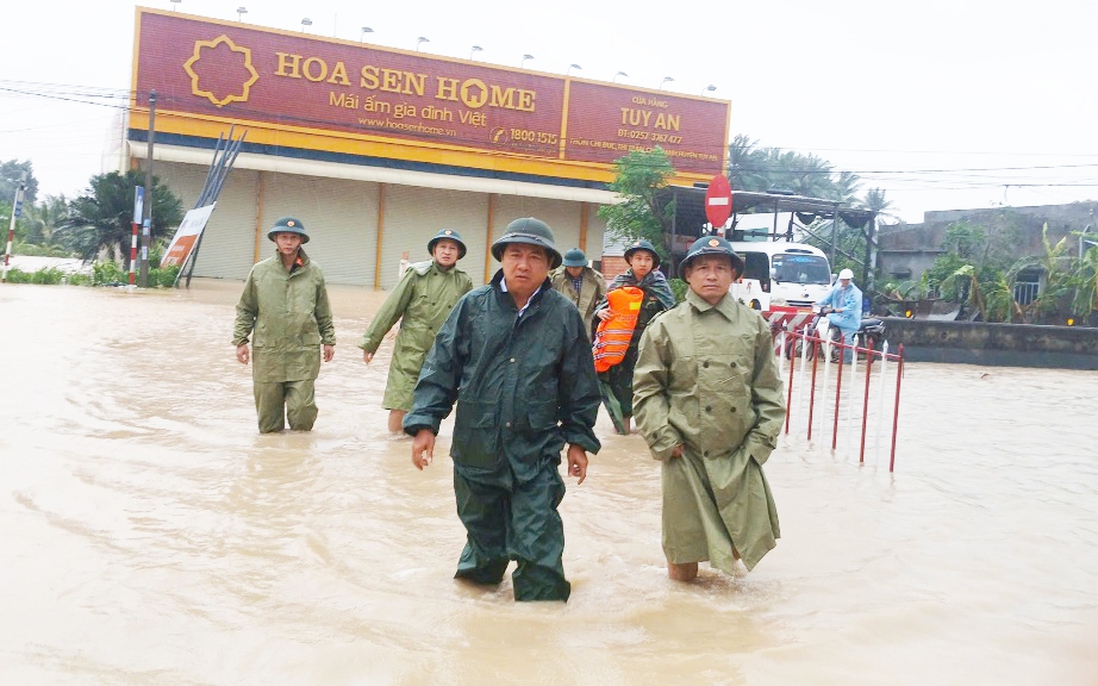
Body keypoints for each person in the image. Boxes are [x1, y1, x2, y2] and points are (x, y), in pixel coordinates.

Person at [404, 217, 601, 602]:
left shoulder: (563, 316)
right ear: (502, 260)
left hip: (536, 450)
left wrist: (578, 439)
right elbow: (441, 367)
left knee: (539, 546)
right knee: (483, 550)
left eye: (534, 256)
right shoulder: (473, 307)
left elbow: (579, 384)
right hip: (477, 448)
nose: (523, 265)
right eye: (515, 255)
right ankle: (479, 630)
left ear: (549, 265)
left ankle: (538, 636)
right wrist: (425, 424)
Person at [632, 235, 786, 582]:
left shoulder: (754, 326)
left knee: (735, 549)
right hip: (685, 455)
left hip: (738, 455)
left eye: (720, 267)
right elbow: (646, 390)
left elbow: (769, 391)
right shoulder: (666, 326)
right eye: (702, 267)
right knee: (682, 551)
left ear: (735, 275)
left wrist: (758, 447)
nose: (711, 275)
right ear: (688, 275)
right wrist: (666, 440)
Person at [359, 229, 473, 434]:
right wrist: (371, 342)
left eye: (452, 248)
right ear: (433, 251)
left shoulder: (464, 282)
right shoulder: (416, 275)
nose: (447, 252)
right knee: (400, 402)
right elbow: (391, 308)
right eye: (442, 247)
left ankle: (414, 452)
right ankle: (393, 448)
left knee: (429, 406)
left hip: (440, 355)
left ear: (459, 254)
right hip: (409, 351)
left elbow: (470, 323)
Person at [233, 217, 336, 433]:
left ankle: (299, 459)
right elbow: (245, 308)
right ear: (275, 240)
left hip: (303, 353)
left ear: (300, 241)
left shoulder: (314, 272)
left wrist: (329, 340)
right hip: (268, 353)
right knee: (269, 422)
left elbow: (323, 310)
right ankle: (273, 462)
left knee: (303, 412)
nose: (288, 242)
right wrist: (240, 341)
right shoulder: (260, 272)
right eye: (283, 237)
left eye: (293, 237)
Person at [593, 239, 676, 434]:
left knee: (649, 387)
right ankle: (623, 431)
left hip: (650, 347)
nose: (642, 263)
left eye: (648, 259)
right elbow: (603, 307)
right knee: (620, 388)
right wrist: (599, 313)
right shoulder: (619, 283)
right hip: (623, 348)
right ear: (630, 260)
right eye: (638, 258)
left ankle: (647, 430)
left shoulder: (659, 284)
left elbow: (674, 313)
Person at [816, 267, 863, 362]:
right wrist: (817, 303)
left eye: (846, 280)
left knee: (846, 340)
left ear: (850, 280)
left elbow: (850, 309)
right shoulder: (837, 288)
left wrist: (834, 310)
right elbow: (827, 298)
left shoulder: (856, 293)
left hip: (849, 320)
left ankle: (847, 360)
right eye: (843, 280)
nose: (844, 282)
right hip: (835, 317)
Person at [549, 247, 605, 327]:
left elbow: (604, 300)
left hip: (588, 323)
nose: (572, 270)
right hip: (563, 322)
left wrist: (598, 311)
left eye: (576, 267)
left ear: (583, 265)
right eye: (569, 267)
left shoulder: (596, 279)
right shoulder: (557, 279)